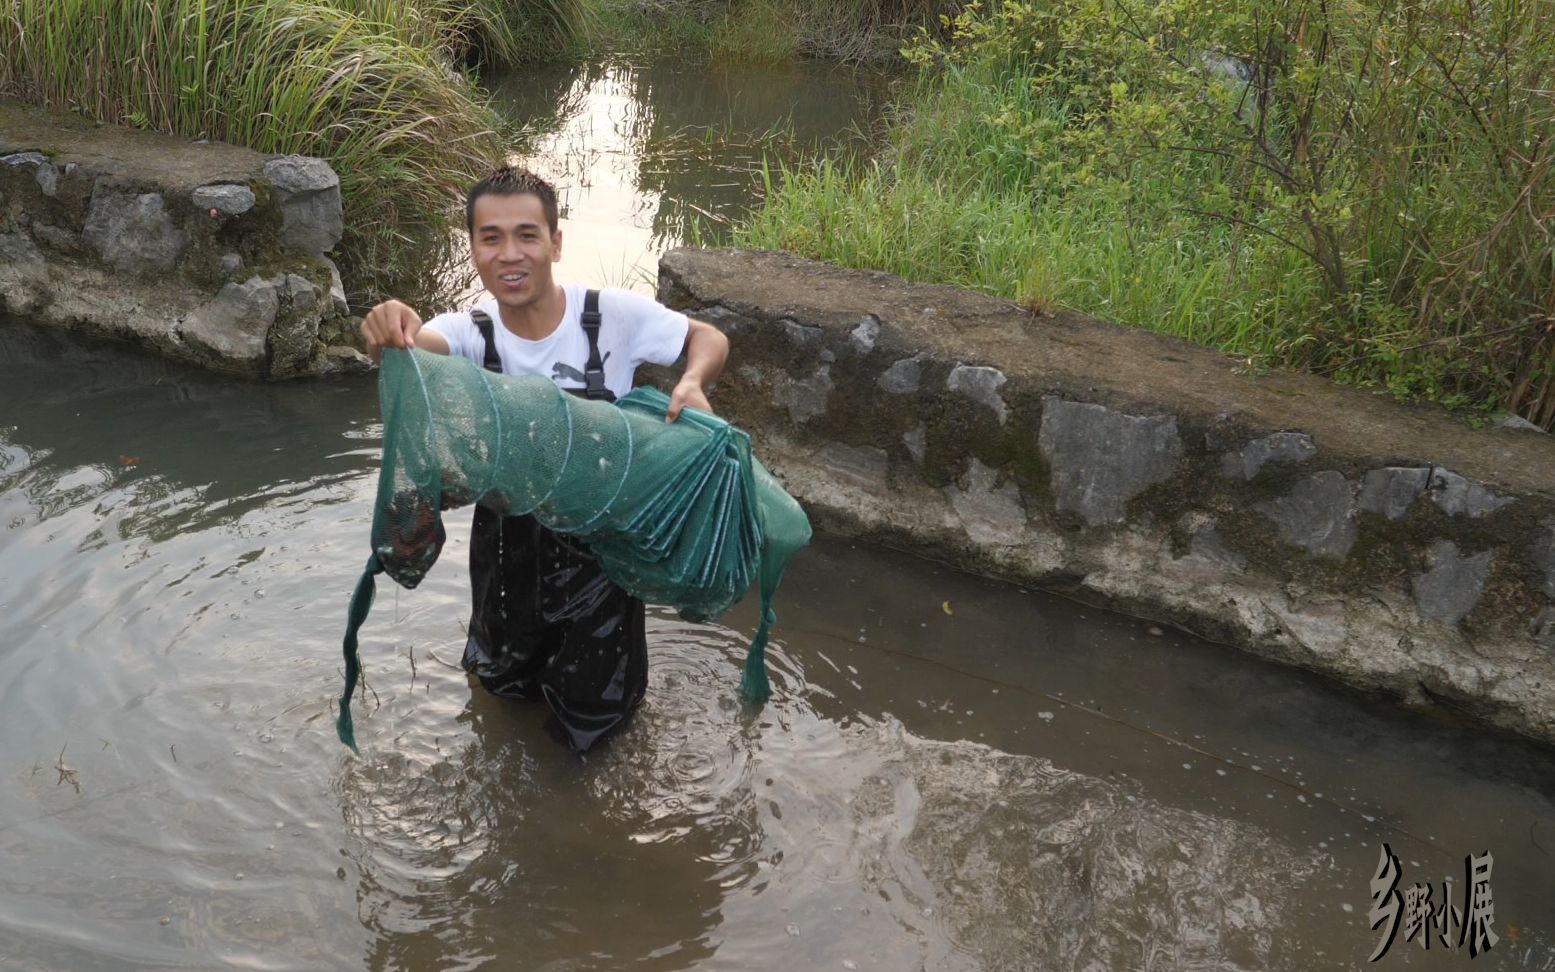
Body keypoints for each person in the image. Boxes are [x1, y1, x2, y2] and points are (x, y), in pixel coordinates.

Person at [359, 166, 729, 752]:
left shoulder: (612, 316)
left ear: (556, 243)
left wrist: (693, 383)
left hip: (603, 553)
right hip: (506, 549)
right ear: (474, 249)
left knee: (596, 718)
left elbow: (706, 337)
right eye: (491, 237)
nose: (511, 254)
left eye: (528, 235)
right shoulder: (466, 333)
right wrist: (388, 325)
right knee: (502, 693)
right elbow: (406, 345)